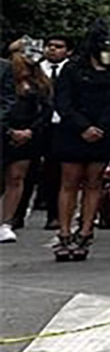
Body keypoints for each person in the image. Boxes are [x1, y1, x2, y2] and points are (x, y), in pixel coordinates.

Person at [50, 22, 110, 262]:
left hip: (105, 129)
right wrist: (83, 126)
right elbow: (63, 101)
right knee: (69, 181)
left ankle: (86, 231)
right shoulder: (73, 67)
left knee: (95, 181)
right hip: (74, 130)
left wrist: (102, 126)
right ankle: (64, 233)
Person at [1, 42, 53, 244]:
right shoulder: (6, 75)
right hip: (5, 130)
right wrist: (8, 130)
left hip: (29, 134)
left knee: (17, 177)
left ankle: (6, 222)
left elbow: (47, 109)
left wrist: (30, 130)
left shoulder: (40, 81)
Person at [32, 35, 73, 231]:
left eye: (59, 47)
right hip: (35, 123)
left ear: (68, 51)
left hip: (60, 125)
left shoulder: (72, 70)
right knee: (27, 169)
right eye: (50, 46)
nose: (53, 50)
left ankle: (54, 215)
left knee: (54, 171)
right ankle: (15, 215)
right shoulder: (35, 69)